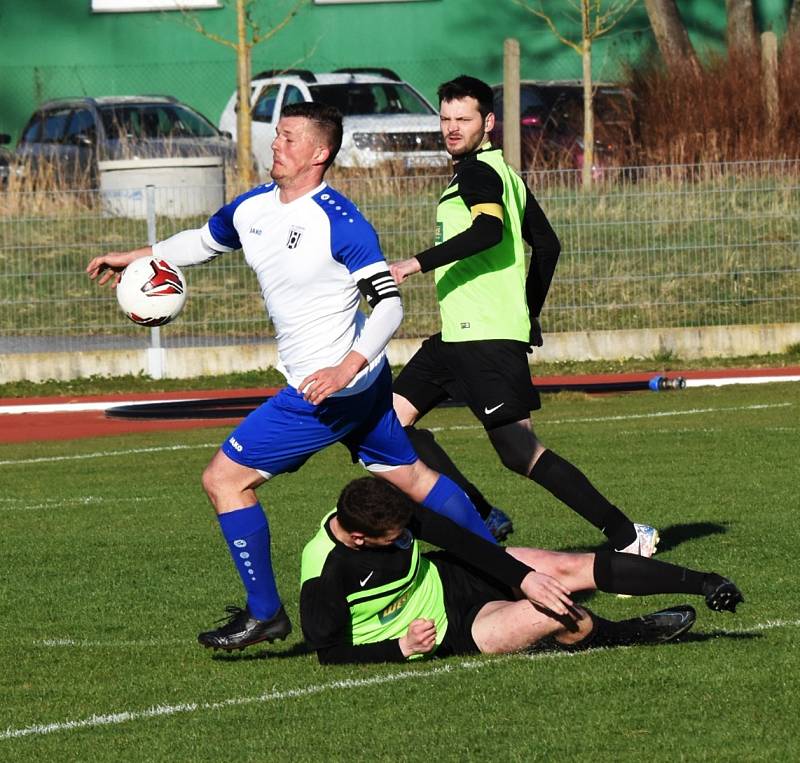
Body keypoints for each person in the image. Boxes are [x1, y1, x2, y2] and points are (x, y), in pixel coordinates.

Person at [86, 102, 495, 653]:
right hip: (360, 386)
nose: (275, 145)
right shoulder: (255, 205)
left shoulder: (341, 223)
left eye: (288, 138)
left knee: (224, 480)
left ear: (319, 153)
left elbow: (390, 307)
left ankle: (265, 614)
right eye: (276, 135)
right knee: (414, 477)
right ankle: (504, 570)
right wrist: (137, 258)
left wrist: (342, 367)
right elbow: (204, 241)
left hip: (328, 391)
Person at [389, 75, 656, 552]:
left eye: (463, 119)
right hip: (458, 337)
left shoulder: (479, 173)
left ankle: (626, 534)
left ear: (487, 122)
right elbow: (547, 246)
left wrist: (414, 263)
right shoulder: (502, 173)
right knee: (387, 424)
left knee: (519, 452)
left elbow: (488, 231)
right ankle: (479, 514)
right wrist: (527, 314)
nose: (452, 128)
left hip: (484, 339)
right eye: (446, 119)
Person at [300, 478, 743, 664]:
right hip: (452, 630)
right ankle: (624, 634)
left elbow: (463, 543)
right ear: (358, 539)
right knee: (552, 611)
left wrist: (523, 575)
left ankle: (704, 581)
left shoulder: (383, 507)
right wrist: (399, 647)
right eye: (393, 537)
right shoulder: (324, 572)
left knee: (559, 569)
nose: (403, 537)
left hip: (452, 576)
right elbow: (330, 652)